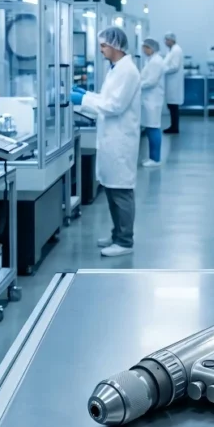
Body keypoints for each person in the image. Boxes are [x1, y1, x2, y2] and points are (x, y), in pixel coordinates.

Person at [71, 27, 141, 257]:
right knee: (112, 190)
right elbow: (106, 99)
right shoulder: (117, 70)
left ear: (115, 46)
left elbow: (114, 106)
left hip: (120, 141)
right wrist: (87, 96)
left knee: (121, 191)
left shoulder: (127, 71)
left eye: (103, 45)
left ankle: (125, 241)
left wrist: (83, 100)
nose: (101, 50)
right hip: (112, 139)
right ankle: (117, 234)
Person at [139, 38, 166, 167]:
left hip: (153, 99)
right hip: (149, 99)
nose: (143, 50)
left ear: (151, 48)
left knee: (153, 127)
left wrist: (137, 85)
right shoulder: (151, 60)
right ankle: (153, 157)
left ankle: (155, 159)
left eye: (145, 47)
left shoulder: (156, 62)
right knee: (151, 127)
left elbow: (151, 81)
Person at [162, 32, 184, 134]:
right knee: (171, 105)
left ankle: (175, 128)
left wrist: (163, 69)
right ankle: (173, 126)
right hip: (170, 81)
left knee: (173, 106)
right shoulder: (171, 50)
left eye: (167, 40)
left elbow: (175, 66)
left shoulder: (176, 50)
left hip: (174, 82)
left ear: (172, 40)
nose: (165, 42)